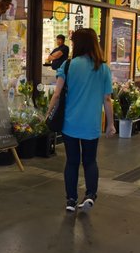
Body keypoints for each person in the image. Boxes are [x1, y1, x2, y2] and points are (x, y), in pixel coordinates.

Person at [46, 28, 116, 213]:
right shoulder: (102, 68)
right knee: (90, 161)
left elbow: (57, 94)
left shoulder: (69, 66)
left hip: (70, 124)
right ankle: (90, 195)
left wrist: (47, 114)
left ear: (78, 44)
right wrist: (110, 124)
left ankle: (71, 200)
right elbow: (107, 99)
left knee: (72, 162)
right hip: (91, 125)